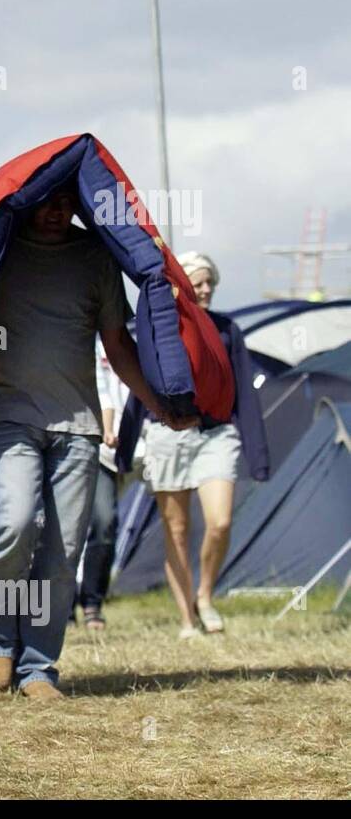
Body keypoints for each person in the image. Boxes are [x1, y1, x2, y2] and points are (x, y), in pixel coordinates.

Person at [0, 185, 196, 699]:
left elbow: (117, 343)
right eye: (45, 202)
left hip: (78, 425)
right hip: (9, 415)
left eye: (64, 203)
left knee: (62, 553)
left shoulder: (95, 257)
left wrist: (160, 406)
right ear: (26, 204)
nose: (54, 213)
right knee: (15, 520)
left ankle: (38, 668)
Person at [120, 251, 270, 638]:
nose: (205, 290)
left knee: (219, 522)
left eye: (210, 283)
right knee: (177, 529)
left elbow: (244, 394)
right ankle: (187, 618)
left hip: (216, 434)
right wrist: (126, 445)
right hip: (167, 436)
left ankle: (205, 595)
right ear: (182, 286)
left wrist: (259, 456)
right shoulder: (161, 328)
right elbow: (141, 392)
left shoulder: (227, 330)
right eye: (197, 282)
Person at [76, 339, 127, 631]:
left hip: (117, 449)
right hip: (78, 444)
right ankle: (66, 603)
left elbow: (109, 391)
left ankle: (93, 600)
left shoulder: (122, 339)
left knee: (105, 523)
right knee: (67, 526)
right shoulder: (81, 338)